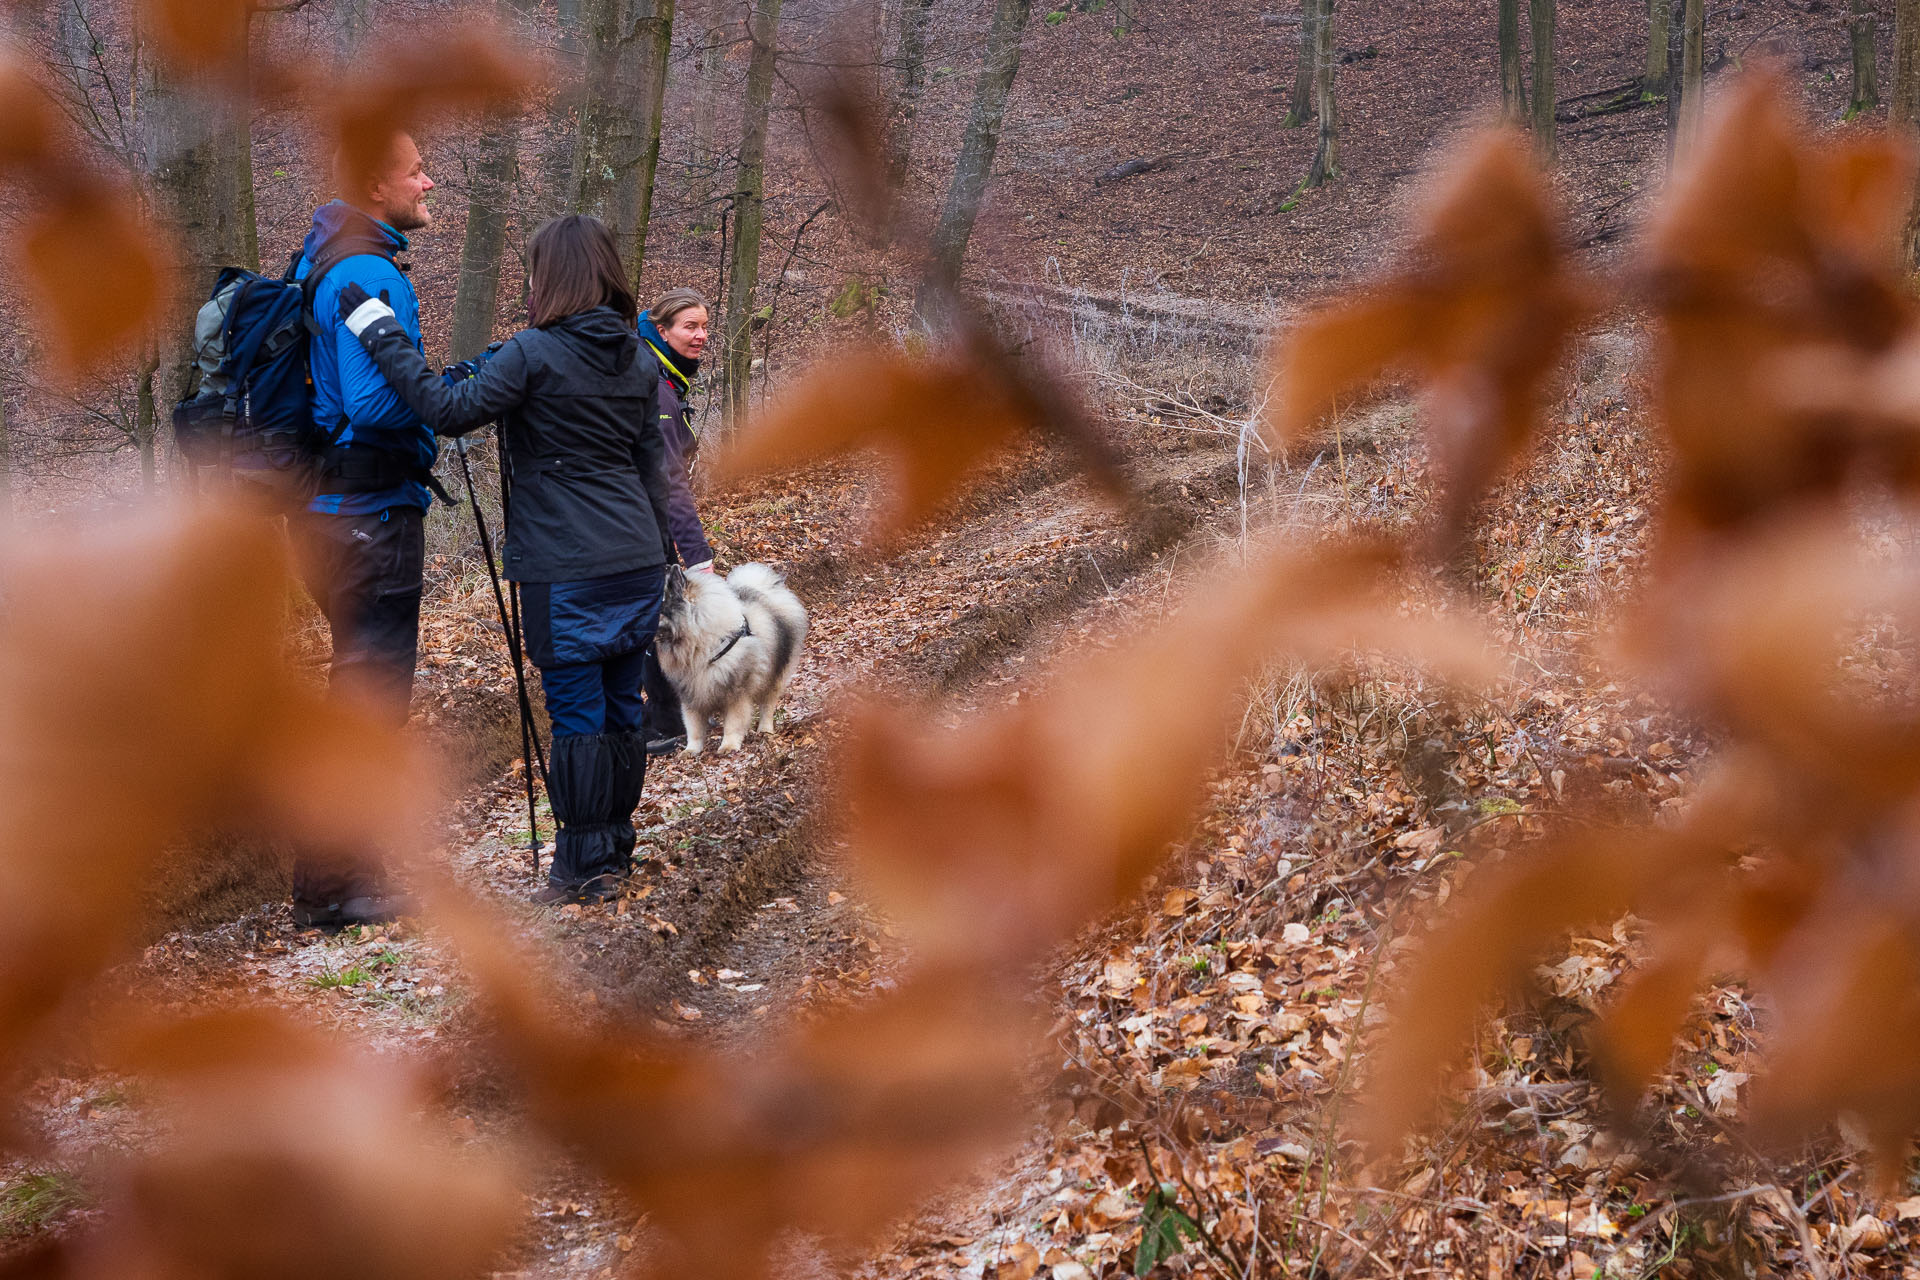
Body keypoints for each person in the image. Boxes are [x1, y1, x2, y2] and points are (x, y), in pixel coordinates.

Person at [335, 214, 679, 903]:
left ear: (549, 277)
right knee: (620, 705)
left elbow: (445, 407)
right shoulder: (640, 358)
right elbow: (653, 470)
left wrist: (377, 328)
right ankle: (611, 848)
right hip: (635, 558)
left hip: (566, 565)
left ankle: (583, 871)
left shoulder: (533, 352)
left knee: (580, 712)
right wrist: (668, 558)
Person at [289, 129, 442, 930]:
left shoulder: (329, 261)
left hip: (329, 516)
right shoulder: (366, 271)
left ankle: (346, 870)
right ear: (376, 188)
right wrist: (440, 397)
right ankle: (331, 887)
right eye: (416, 171)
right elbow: (375, 404)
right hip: (369, 518)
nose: (430, 181)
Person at [636, 289, 720, 755]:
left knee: (654, 617)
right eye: (690, 326)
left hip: (642, 521)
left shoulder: (661, 375)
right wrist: (698, 556)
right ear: (661, 329)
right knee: (661, 619)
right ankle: (668, 721)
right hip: (645, 525)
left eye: (705, 326)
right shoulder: (657, 387)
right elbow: (669, 482)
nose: (701, 336)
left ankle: (664, 717)